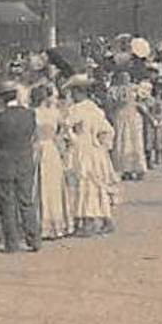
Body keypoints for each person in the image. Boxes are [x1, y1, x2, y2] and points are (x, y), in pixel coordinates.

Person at [0, 80, 41, 253]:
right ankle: (34, 239)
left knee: (7, 203)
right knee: (26, 200)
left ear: (1, 98)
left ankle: (11, 243)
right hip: (25, 161)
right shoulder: (29, 114)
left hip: (4, 162)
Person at [63, 76, 118, 235]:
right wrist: (102, 144)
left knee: (83, 183)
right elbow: (108, 130)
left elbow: (66, 127)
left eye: (73, 92)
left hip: (81, 148)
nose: (72, 96)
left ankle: (88, 221)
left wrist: (72, 139)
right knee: (97, 183)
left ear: (79, 92)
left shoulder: (76, 110)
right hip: (96, 150)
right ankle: (105, 219)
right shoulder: (95, 109)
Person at [31, 83, 72, 240]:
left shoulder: (33, 113)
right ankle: (55, 224)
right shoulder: (55, 113)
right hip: (51, 150)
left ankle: (39, 223)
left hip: (36, 149)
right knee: (52, 186)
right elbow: (65, 130)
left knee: (37, 186)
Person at [109, 79, 147, 181]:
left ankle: (138, 168)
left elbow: (143, 101)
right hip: (122, 116)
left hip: (133, 117)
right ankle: (125, 169)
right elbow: (112, 104)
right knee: (123, 142)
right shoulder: (115, 90)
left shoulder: (136, 88)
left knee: (135, 143)